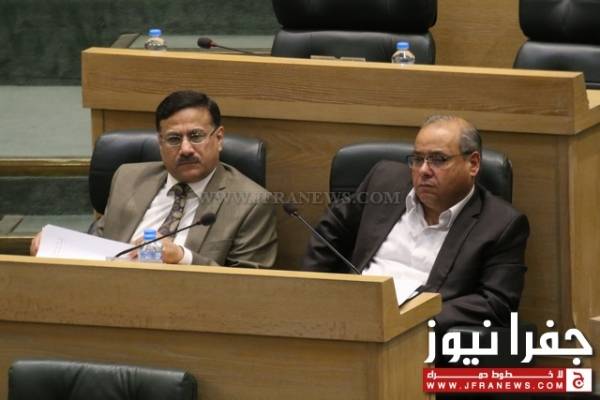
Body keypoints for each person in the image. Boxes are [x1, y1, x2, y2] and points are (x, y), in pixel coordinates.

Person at [303, 115, 529, 333]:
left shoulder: (501, 224)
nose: (423, 171)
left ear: (473, 163)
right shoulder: (384, 181)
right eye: (417, 159)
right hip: (347, 317)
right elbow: (330, 231)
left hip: (419, 335)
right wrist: (312, 295)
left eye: (438, 160)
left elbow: (496, 303)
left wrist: (414, 320)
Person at [31, 90, 277, 267]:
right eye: (173, 139)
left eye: (196, 136)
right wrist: (55, 246)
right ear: (160, 143)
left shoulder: (251, 202)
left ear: (219, 138)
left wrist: (182, 257)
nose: (186, 149)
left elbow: (249, 285)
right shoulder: (128, 178)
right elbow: (100, 241)